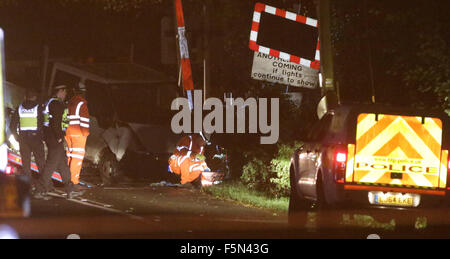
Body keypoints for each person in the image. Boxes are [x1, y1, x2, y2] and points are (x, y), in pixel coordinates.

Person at [35, 85, 82, 199]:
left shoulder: (49, 102)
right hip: (55, 138)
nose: (65, 94)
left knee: (62, 163)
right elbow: (56, 122)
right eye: (64, 92)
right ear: (60, 91)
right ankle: (40, 189)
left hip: (50, 136)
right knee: (51, 164)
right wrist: (59, 136)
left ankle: (70, 188)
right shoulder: (56, 104)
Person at [9, 89, 45, 187]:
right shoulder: (39, 108)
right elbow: (43, 124)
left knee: (26, 163)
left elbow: (12, 127)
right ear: (35, 97)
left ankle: (27, 185)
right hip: (36, 138)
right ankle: (45, 185)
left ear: (25, 97)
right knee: (40, 162)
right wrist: (42, 137)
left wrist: (18, 138)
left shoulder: (19, 108)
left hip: (23, 139)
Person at [65, 83, 90, 188]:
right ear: (83, 92)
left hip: (68, 132)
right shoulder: (82, 103)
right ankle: (74, 181)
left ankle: (66, 178)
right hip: (78, 132)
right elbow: (84, 120)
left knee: (69, 155)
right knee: (77, 156)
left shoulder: (69, 102)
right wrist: (85, 133)